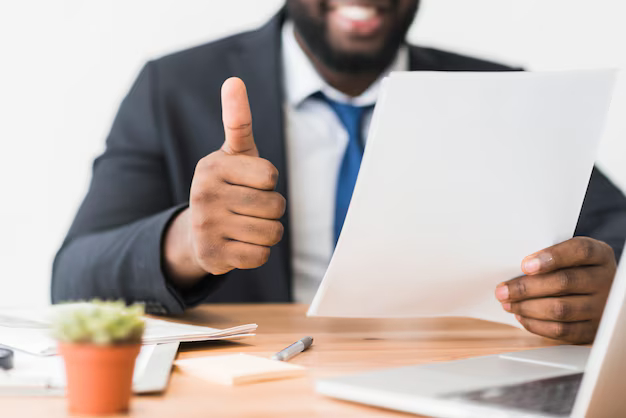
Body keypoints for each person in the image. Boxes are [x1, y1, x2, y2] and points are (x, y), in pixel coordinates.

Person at [52, 0, 626, 343]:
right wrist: (186, 243)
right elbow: (72, 280)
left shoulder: (504, 93)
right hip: (259, 386)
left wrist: (604, 290)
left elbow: (616, 236)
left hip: (452, 371)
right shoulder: (170, 87)